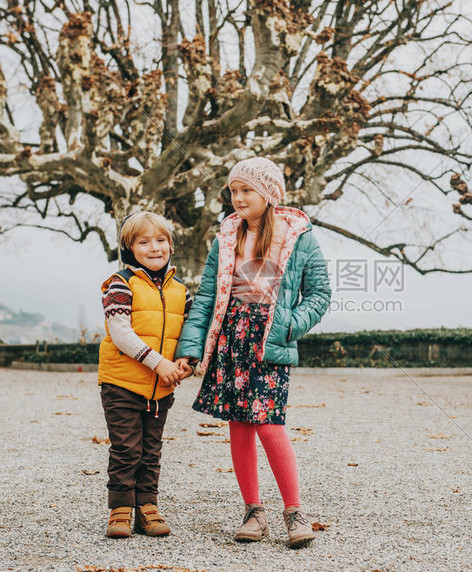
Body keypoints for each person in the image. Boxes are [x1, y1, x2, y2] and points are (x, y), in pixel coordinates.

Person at [175, 157, 331, 549]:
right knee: (239, 424)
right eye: (234, 190)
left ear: (268, 194)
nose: (238, 197)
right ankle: (253, 511)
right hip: (230, 338)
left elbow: (320, 294)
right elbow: (208, 297)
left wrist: (289, 326)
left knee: (268, 422)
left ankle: (294, 512)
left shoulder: (299, 237)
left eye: (247, 190)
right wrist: (191, 348)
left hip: (270, 341)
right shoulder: (226, 236)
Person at [97, 211, 193, 538]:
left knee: (151, 449)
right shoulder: (119, 284)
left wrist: (185, 362)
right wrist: (158, 363)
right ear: (129, 248)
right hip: (121, 383)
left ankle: (147, 506)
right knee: (126, 447)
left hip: (160, 388)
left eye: (161, 240)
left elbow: (189, 333)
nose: (154, 247)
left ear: (171, 245)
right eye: (144, 241)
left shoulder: (181, 290)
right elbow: (121, 333)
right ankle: (121, 508)